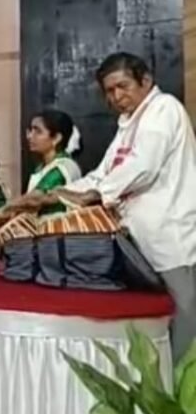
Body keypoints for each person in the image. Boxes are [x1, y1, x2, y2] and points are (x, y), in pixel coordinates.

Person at [53, 52, 196, 359]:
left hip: (171, 238)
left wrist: (97, 194)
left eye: (123, 86)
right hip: (137, 240)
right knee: (153, 321)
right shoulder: (128, 124)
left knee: (184, 315)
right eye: (109, 91)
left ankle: (183, 387)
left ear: (146, 81)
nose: (116, 97)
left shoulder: (163, 108)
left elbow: (143, 166)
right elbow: (101, 175)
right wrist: (56, 195)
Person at [4, 110, 82, 217]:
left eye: (38, 131)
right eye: (30, 130)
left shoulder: (63, 167)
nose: (30, 136)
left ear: (56, 138)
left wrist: (1, 211)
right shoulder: (42, 167)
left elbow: (34, 198)